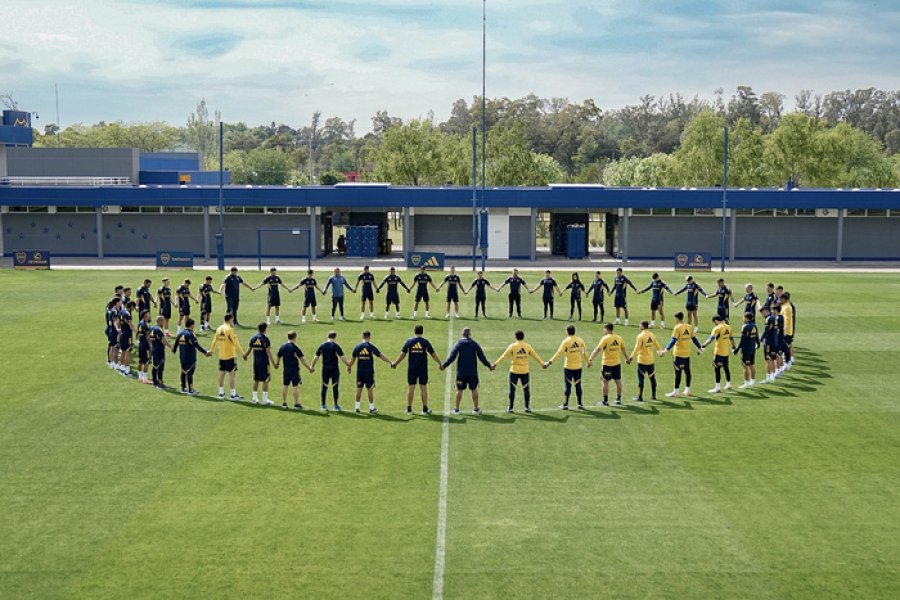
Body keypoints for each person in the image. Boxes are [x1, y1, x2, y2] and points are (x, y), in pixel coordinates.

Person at [441, 327, 493, 414]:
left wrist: (444, 365)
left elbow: (452, 357)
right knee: (474, 389)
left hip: (461, 372)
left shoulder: (459, 344)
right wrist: (489, 365)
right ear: (470, 334)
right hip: (472, 372)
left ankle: (456, 409)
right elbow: (482, 357)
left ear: (462, 334)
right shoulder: (474, 344)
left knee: (459, 389)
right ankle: (476, 409)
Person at [393, 324, 442, 415]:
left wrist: (395, 363)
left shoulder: (409, 342)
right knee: (423, 387)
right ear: (422, 332)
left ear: (414, 331)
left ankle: (409, 408)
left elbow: (402, 354)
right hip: (423, 368)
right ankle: (425, 408)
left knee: (411, 387)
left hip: (412, 368)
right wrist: (440, 363)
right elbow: (433, 354)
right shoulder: (425, 342)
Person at [492, 330, 545, 413]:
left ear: (515, 337)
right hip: (525, 371)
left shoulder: (512, 346)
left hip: (514, 371)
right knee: (526, 390)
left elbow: (504, 356)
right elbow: (535, 355)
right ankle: (527, 407)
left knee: (512, 390)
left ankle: (510, 408)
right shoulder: (527, 346)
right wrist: (542, 363)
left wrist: (495, 364)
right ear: (523, 337)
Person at [658, 311, 704, 398]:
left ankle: (676, 392)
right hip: (687, 354)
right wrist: (700, 347)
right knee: (687, 372)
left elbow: (673, 340)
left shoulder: (677, 328)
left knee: (678, 373)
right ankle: (687, 390)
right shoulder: (689, 327)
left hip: (678, 354)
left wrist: (665, 350)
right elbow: (694, 339)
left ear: (677, 318)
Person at [544, 324, 589, 410]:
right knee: (578, 385)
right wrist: (588, 362)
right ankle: (580, 404)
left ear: (567, 332)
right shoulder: (580, 341)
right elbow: (584, 353)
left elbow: (558, 353)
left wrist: (549, 362)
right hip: (578, 367)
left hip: (568, 367)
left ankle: (565, 405)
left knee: (567, 386)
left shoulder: (566, 341)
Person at [347, 330, 392, 413]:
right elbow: (381, 356)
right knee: (370, 389)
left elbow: (352, 360)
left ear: (362, 336)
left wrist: (349, 367)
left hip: (360, 372)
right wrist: (390, 362)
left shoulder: (357, 347)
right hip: (369, 372)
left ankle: (357, 407)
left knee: (359, 389)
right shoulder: (371, 347)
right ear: (369, 337)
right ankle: (371, 408)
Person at [588, 322, 630, 406]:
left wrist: (590, 359)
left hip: (607, 364)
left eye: (604, 329)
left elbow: (597, 350)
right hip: (617, 363)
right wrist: (627, 358)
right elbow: (623, 349)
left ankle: (605, 401)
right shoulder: (619, 338)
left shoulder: (605, 339)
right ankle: (618, 399)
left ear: (607, 329)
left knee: (605, 381)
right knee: (618, 381)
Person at [311, 331, 352, 411]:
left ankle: (323, 405)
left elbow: (316, 357)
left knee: (324, 386)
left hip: (325, 369)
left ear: (328, 336)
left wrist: (312, 366)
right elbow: (342, 357)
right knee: (335, 387)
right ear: (335, 337)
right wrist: (348, 365)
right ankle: (336, 406)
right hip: (334, 369)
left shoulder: (322, 346)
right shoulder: (335, 346)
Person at [274, 330, 314, 410]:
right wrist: (309, 368)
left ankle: (284, 403)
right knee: (295, 386)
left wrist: (277, 364)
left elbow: (278, 355)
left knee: (285, 385)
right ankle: (296, 404)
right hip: (294, 370)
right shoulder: (295, 348)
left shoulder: (283, 346)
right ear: (295, 337)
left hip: (286, 370)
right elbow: (302, 359)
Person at [209, 313, 245, 401]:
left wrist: (211, 350)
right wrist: (243, 353)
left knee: (221, 373)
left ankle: (221, 392)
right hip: (230, 355)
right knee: (232, 374)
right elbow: (236, 342)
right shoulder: (230, 329)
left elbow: (214, 341)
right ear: (230, 320)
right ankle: (233, 394)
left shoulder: (219, 329)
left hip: (221, 355)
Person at [172, 318, 210, 395]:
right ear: (192, 325)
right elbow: (196, 345)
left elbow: (175, 345)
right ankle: (191, 389)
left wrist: (174, 350)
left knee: (183, 371)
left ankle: (183, 388)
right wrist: (205, 352)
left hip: (182, 357)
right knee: (190, 373)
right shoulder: (190, 334)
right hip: (190, 357)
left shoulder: (180, 333)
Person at [243, 322, 276, 406]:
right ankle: (264, 399)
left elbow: (249, 349)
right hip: (264, 362)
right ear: (265, 329)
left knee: (256, 379)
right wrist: (274, 363)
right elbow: (268, 353)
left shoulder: (253, 338)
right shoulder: (265, 339)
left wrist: (245, 355)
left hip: (256, 362)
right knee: (266, 379)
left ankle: (254, 398)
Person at [629, 320, 662, 402]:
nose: (639, 326)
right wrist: (661, 352)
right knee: (652, 378)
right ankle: (654, 395)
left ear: (643, 326)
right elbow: (657, 345)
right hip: (650, 361)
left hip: (642, 361)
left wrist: (631, 357)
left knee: (641, 380)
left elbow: (636, 348)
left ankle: (640, 396)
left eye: (640, 325)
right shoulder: (652, 335)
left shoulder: (640, 336)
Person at [701, 315, 735, 393]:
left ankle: (717, 387)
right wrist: (733, 347)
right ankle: (728, 384)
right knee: (726, 368)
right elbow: (731, 338)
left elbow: (711, 339)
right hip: (726, 352)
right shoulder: (728, 327)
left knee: (717, 369)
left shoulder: (717, 328)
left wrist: (703, 346)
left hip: (719, 352)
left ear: (716, 321)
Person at [733, 311, 760, 388]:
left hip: (746, 349)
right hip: (752, 348)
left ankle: (746, 383)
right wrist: (758, 344)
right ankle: (753, 381)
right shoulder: (755, 326)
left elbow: (743, 340)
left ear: (746, 317)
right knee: (751, 364)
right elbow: (757, 337)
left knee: (745, 365)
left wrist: (737, 349)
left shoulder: (745, 327)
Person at [149, 315, 173, 389]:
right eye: (163, 321)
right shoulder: (158, 330)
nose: (164, 322)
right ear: (160, 321)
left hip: (154, 349)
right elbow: (163, 340)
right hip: (159, 350)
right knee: (160, 366)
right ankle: (160, 382)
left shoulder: (152, 328)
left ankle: (154, 381)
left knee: (155, 365)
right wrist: (171, 347)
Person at [759, 305, 780, 384]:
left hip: (768, 343)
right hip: (774, 341)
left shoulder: (768, 319)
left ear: (765, 311)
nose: (762, 315)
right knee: (772, 358)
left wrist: (760, 339)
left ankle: (768, 377)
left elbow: (766, 331)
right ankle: (772, 376)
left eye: (762, 313)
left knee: (768, 360)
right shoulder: (774, 318)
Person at [117, 300, 136, 376]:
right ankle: (127, 369)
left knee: (123, 351)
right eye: (133, 307)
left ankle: (121, 367)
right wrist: (137, 332)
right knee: (128, 351)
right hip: (127, 335)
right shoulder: (127, 314)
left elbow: (118, 322)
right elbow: (130, 324)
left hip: (122, 333)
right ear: (131, 306)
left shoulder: (121, 311)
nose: (134, 309)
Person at [136, 310, 153, 384]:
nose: (149, 316)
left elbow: (137, 333)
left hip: (140, 344)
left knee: (140, 361)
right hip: (145, 345)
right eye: (148, 314)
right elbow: (148, 337)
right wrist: (151, 346)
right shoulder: (145, 325)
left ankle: (140, 377)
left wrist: (138, 340)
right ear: (145, 315)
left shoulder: (140, 323)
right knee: (146, 362)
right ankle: (145, 379)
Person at [779, 292, 795, 371]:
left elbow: (786, 319)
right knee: (785, 347)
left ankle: (787, 363)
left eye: (780, 299)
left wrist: (783, 330)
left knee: (784, 348)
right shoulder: (785, 306)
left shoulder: (787, 307)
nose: (779, 300)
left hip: (786, 331)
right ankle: (787, 362)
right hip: (787, 330)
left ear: (784, 299)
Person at [105, 297, 122, 369]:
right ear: (117, 302)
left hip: (112, 330)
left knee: (114, 346)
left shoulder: (115, 310)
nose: (121, 303)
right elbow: (115, 321)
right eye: (120, 301)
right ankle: (112, 362)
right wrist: (117, 329)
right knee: (113, 347)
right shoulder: (115, 311)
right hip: (114, 331)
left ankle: (113, 362)